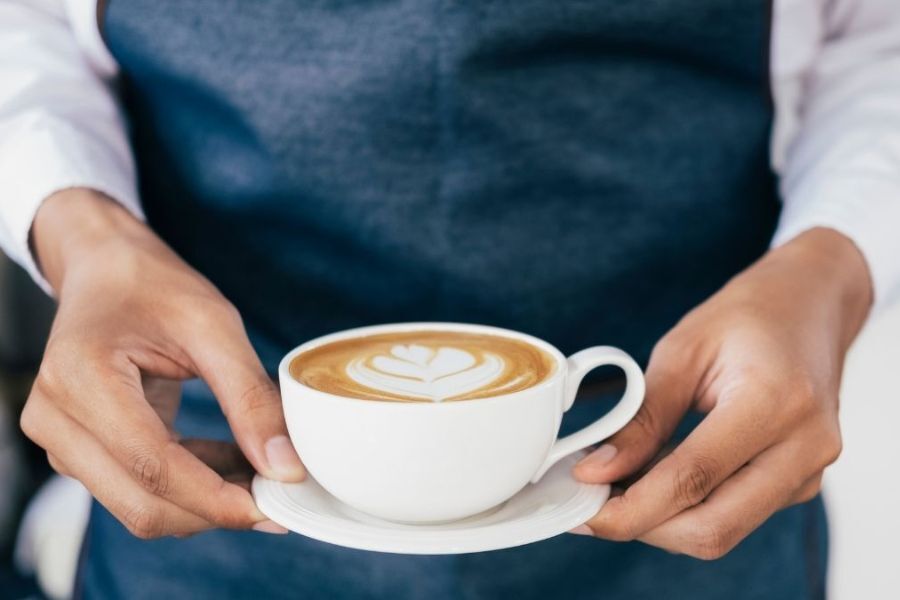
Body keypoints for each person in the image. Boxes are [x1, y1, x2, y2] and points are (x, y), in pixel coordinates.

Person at [1, 0, 898, 597]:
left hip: (686, 481)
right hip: (215, 489)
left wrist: (830, 268)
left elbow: (878, 40)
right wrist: (85, 233)